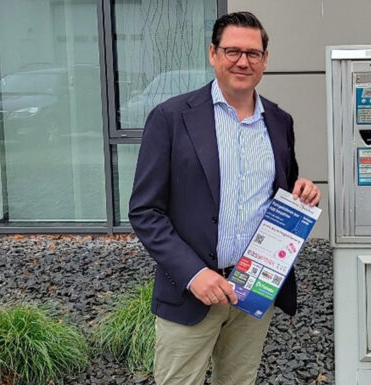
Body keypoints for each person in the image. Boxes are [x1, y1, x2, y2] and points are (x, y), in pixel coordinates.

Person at [128, 11, 320, 385]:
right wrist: (193, 274)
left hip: (253, 289)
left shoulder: (279, 121)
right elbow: (145, 211)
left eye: (253, 53)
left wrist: (303, 192)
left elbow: (281, 189)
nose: (242, 61)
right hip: (191, 292)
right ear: (213, 54)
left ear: (265, 61)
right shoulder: (171, 118)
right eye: (232, 51)